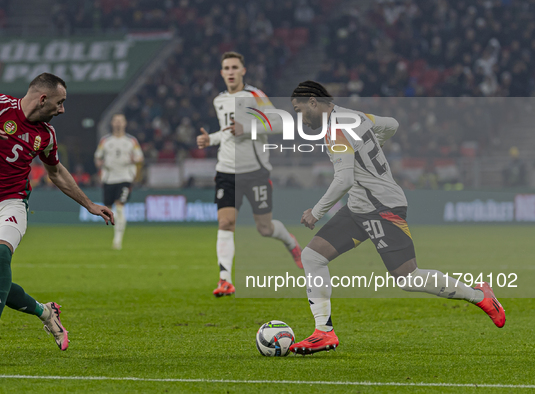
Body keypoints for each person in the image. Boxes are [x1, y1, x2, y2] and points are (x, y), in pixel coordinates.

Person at [287, 81, 505, 355]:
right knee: (312, 256)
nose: (300, 117)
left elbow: (344, 179)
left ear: (313, 101)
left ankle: (479, 295)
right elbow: (391, 124)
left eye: (300, 109)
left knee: (408, 277)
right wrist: (370, 147)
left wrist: (316, 212)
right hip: (359, 206)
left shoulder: (336, 129)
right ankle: (324, 333)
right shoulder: (355, 116)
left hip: (381, 206)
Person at [0, 73, 114, 362]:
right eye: (60, 103)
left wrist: (89, 204)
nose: (62, 109)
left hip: (12, 203)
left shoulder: (46, 135)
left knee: (2, 256)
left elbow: (56, 172)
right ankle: (46, 312)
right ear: (43, 98)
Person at [196, 51, 302, 297]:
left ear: (243, 71)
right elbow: (227, 132)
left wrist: (249, 128)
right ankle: (225, 280)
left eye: (235, 67)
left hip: (255, 172)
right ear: (221, 73)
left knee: (264, 228)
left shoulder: (256, 96)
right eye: (226, 68)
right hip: (226, 171)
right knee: (225, 222)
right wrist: (209, 139)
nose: (231, 72)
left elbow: (281, 123)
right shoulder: (219, 100)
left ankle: (291, 243)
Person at [94, 113, 144, 250]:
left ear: (125, 123)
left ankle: (117, 240)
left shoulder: (131, 141)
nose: (118, 123)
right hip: (109, 178)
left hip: (125, 178)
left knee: (120, 206)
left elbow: (140, 157)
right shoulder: (105, 141)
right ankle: (115, 234)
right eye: (115, 121)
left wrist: (135, 161)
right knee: (108, 208)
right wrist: (100, 165)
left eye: (120, 121)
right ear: (112, 123)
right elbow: (98, 157)